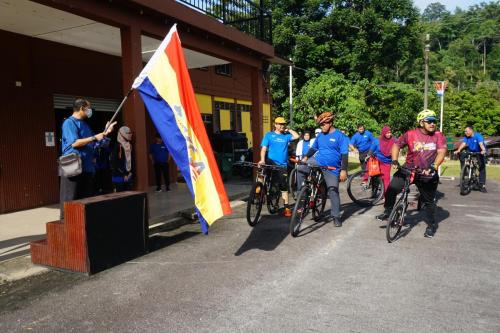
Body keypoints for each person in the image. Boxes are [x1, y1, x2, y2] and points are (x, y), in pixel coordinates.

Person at [376, 110, 446, 239]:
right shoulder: (410, 134)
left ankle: (431, 226)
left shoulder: (438, 135)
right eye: (429, 121)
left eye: (434, 121)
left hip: (427, 174)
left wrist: (434, 166)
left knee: (429, 202)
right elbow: (396, 145)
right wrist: (395, 160)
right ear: (421, 122)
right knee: (391, 189)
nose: (432, 124)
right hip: (408, 170)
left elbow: (441, 152)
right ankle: (388, 211)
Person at [59, 98, 116, 219]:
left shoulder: (85, 125)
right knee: (70, 200)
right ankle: (66, 227)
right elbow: (75, 143)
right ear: (81, 108)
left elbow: (94, 143)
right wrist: (94, 138)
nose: (90, 111)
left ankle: (82, 228)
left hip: (87, 168)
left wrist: (105, 133)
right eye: (88, 108)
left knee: (85, 200)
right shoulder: (69, 123)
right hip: (73, 168)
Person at [297, 112, 349, 227]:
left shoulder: (340, 136)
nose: (321, 127)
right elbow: (314, 148)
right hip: (318, 160)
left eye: (323, 124)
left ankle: (336, 216)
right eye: (320, 125)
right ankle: (303, 193)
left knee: (333, 190)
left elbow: (345, 154)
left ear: (330, 123)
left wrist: (343, 170)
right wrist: (305, 157)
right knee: (300, 168)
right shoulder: (320, 135)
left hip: (332, 167)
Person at [259, 117, 300, 217]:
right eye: (280, 124)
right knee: (261, 169)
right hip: (270, 161)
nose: (282, 126)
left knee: (283, 186)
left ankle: (286, 207)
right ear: (275, 124)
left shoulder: (286, 136)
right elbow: (264, 149)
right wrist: (262, 159)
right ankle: (258, 191)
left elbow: (297, 136)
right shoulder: (269, 135)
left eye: (283, 124)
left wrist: (288, 129)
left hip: (282, 165)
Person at [453, 126, 487, 193]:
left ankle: (482, 185)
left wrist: (483, 150)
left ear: (471, 130)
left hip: (479, 151)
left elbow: (481, 144)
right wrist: (458, 150)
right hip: (470, 151)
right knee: (461, 155)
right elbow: (463, 143)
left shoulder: (478, 135)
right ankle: (464, 170)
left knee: (482, 168)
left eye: (466, 131)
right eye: (465, 131)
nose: (465, 133)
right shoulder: (466, 137)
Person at [367, 125, 396, 196]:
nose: (389, 134)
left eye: (390, 132)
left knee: (386, 179)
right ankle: (374, 192)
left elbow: (397, 148)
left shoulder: (394, 140)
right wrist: (368, 155)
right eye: (387, 133)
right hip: (377, 161)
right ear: (383, 133)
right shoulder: (377, 140)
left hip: (387, 162)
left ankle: (386, 194)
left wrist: (395, 161)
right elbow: (371, 149)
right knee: (375, 177)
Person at [111, 126, 134, 192]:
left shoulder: (129, 145)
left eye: (131, 133)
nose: (130, 134)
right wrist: (124, 174)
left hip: (128, 176)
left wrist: (130, 172)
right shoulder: (117, 147)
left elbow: (131, 160)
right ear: (122, 134)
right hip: (118, 177)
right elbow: (115, 163)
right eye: (128, 133)